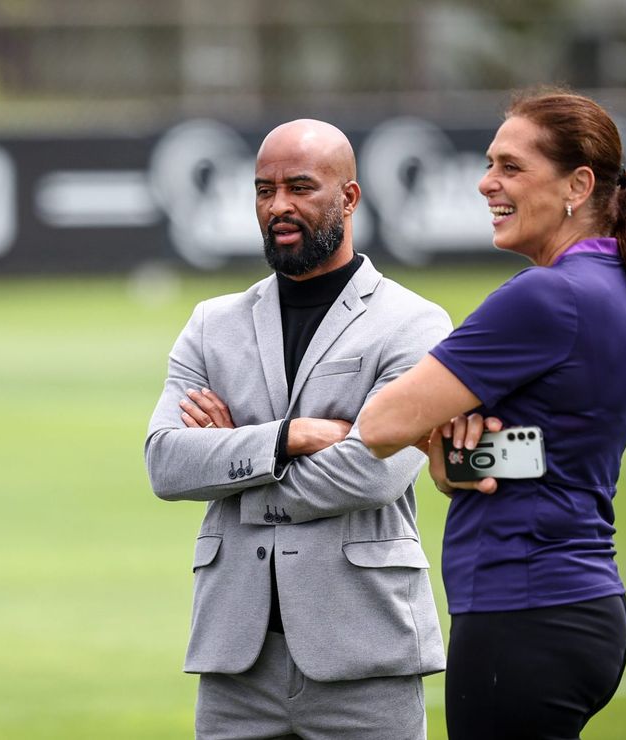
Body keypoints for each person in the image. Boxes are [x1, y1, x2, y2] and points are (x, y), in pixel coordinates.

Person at [359, 89, 626, 739]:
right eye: (488, 163)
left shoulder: (547, 296)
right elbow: (544, 449)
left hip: (523, 610)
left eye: (511, 167)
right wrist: (453, 454)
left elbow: (381, 425)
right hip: (577, 604)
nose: (486, 182)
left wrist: (426, 441)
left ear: (578, 185)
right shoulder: (615, 284)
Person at [145, 119, 451, 740]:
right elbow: (166, 463)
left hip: (366, 655)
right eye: (264, 190)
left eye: (300, 187)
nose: (278, 205)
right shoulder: (211, 324)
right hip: (236, 663)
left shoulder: (414, 324)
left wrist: (233, 465)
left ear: (350, 196)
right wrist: (288, 438)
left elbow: (373, 473)